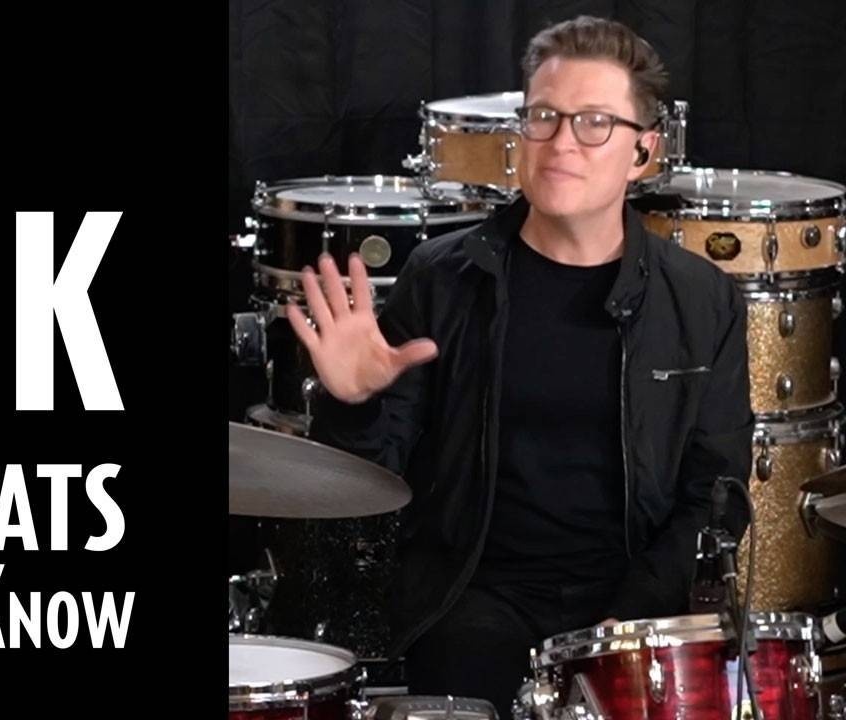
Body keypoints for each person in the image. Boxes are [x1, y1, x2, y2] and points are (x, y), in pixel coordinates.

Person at [287, 15, 753, 717]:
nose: (562, 142)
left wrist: (628, 622)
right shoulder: (442, 279)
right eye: (544, 117)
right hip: (470, 601)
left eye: (594, 122)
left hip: (637, 607)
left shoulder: (702, 300)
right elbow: (368, 491)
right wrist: (352, 403)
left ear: (643, 151)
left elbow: (714, 499)